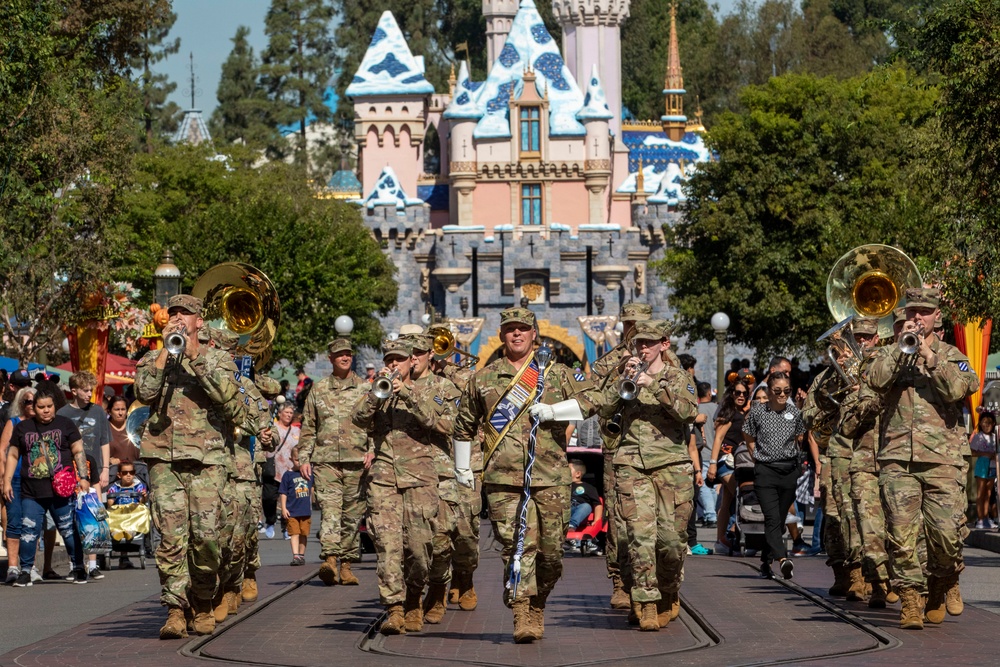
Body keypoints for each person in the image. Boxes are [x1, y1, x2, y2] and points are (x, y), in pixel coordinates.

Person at [453, 307, 599, 643]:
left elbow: (595, 399)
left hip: (551, 478)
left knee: (550, 554)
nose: (516, 334)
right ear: (502, 335)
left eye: (523, 329)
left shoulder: (557, 374)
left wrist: (554, 410)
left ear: (534, 334)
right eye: (510, 329)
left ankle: (538, 602)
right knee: (517, 547)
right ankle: (521, 610)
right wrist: (463, 467)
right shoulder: (484, 378)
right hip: (503, 480)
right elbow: (463, 425)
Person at [134, 294, 248, 639]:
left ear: (200, 322)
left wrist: (194, 356)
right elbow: (144, 391)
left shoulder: (217, 359)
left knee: (206, 539)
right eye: (174, 314)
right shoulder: (154, 358)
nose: (180, 319)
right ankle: (174, 609)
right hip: (163, 459)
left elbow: (230, 401)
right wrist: (166, 352)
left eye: (187, 314)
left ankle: (202, 600)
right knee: (169, 539)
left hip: (207, 460)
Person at [866, 288, 979, 630]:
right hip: (897, 459)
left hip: (943, 461)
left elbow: (959, 389)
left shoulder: (952, 354)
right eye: (912, 310)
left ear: (935, 317)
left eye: (924, 312)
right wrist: (902, 350)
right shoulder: (889, 352)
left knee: (947, 537)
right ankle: (911, 602)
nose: (918, 317)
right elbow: (874, 380)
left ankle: (943, 581)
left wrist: (929, 355)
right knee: (902, 538)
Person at [593, 319, 699, 630]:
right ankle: (646, 601)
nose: (643, 347)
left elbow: (688, 411)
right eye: (639, 341)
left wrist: (652, 385)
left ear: (664, 344)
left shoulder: (678, 377)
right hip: (631, 464)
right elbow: (602, 410)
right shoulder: (625, 373)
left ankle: (668, 591)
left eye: (650, 342)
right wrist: (622, 382)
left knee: (670, 542)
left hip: (672, 466)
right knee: (638, 537)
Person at [352, 337, 452, 635]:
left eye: (399, 359)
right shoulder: (377, 389)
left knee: (420, 549)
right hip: (383, 479)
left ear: (413, 361)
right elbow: (357, 418)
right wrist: (375, 395)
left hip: (421, 478)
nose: (393, 364)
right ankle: (394, 609)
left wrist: (407, 394)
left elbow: (444, 424)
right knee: (387, 546)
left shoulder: (433, 390)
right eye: (389, 359)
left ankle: (413, 598)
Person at [589, 301, 653, 611]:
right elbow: (596, 398)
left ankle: (656, 583)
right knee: (619, 518)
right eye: (630, 324)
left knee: (659, 522)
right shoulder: (608, 362)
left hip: (656, 451)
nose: (636, 330)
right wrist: (621, 370)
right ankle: (620, 581)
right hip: (618, 447)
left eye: (640, 324)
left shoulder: (664, 359)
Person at [399, 330, 465, 624]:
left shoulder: (445, 388)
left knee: (440, 542)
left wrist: (410, 397)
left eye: (418, 353)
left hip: (440, 475)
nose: (412, 359)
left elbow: (451, 426)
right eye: (408, 353)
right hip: (404, 476)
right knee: (409, 544)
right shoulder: (389, 386)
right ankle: (411, 597)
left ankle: (438, 591)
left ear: (430, 356)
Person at [297, 336, 370, 587]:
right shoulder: (318, 389)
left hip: (356, 460)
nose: (345, 357)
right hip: (326, 460)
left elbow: (374, 424)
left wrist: (372, 451)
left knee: (352, 515)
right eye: (340, 354)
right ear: (331, 358)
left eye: (348, 353)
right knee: (330, 510)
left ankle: (347, 565)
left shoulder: (365, 388)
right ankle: (330, 559)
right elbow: (309, 426)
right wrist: (303, 458)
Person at [2, 385, 90, 586]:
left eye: (49, 406)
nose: (46, 410)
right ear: (34, 407)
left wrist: (83, 477)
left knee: (68, 529)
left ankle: (78, 567)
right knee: (28, 531)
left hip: (61, 490)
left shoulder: (65, 424)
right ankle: (25, 571)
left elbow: (78, 450)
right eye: (41, 407)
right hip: (31, 491)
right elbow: (13, 455)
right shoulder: (23, 428)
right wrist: (6, 481)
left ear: (54, 406)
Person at [838, 317, 896, 607]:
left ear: (878, 338)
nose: (862, 342)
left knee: (897, 528)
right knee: (868, 530)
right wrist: (862, 403)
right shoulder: (849, 377)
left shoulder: (893, 365)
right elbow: (844, 427)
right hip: (863, 462)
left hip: (895, 460)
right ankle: (878, 583)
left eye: (867, 337)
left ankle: (899, 581)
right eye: (857, 337)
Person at [742, 371, 806, 580]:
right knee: (771, 518)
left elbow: (800, 437)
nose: (782, 395)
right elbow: (748, 435)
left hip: (788, 471)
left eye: (786, 391)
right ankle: (782, 559)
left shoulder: (794, 413)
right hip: (766, 471)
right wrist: (756, 456)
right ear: (768, 391)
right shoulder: (758, 412)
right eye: (777, 391)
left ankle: (765, 561)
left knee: (778, 519)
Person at [57, 371, 111, 581]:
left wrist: (105, 469)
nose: (89, 394)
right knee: (71, 519)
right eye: (85, 390)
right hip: (70, 471)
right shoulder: (62, 413)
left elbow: (104, 441)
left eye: (91, 390)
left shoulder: (98, 412)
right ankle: (75, 564)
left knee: (93, 517)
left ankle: (93, 564)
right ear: (74, 391)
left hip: (94, 470)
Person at [706, 374, 753, 553]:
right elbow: (718, 438)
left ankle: (720, 541)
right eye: (737, 392)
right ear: (731, 393)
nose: (741, 396)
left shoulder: (743, 413)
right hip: (726, 461)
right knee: (742, 498)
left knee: (726, 502)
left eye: (744, 393)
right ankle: (730, 535)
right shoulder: (729, 413)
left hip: (739, 462)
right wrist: (712, 464)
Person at [0, 386, 35, 583]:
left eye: (34, 401)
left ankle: (30, 567)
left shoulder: (42, 424)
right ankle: (12, 567)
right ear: (21, 404)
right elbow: (2, 451)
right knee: (14, 521)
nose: (32, 405)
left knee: (33, 523)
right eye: (28, 401)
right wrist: (3, 479)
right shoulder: (13, 423)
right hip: (15, 478)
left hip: (36, 479)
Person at [265, 402, 299, 540]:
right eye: (286, 412)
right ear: (279, 413)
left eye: (291, 413)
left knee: (289, 501)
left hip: (289, 470)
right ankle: (270, 522)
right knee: (269, 498)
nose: (289, 415)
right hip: (273, 469)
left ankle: (286, 527)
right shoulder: (273, 428)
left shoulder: (296, 431)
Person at [107, 460, 149, 568]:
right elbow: (110, 504)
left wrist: (144, 497)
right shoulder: (115, 487)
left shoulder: (138, 486)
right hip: (119, 512)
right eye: (125, 473)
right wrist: (111, 498)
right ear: (119, 474)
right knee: (110, 513)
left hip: (133, 511)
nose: (129, 475)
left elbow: (142, 502)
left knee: (142, 511)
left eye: (131, 472)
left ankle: (131, 530)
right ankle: (116, 531)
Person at [279, 449, 312, 566]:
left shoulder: (309, 473)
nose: (299, 462)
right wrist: (283, 508)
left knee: (304, 533)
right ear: (291, 459)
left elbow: (312, 489)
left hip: (305, 510)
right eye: (297, 460)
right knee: (294, 533)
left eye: (302, 460)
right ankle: (296, 555)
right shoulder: (288, 475)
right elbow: (283, 492)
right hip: (292, 511)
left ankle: (301, 555)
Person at [692, 382, 717, 529]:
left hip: (702, 451)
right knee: (711, 486)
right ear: (708, 394)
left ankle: (710, 514)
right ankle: (709, 514)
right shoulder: (716, 408)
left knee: (703, 486)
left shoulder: (697, 410)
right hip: (713, 452)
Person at [565, 459, 602, 553]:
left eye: (568, 470)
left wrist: (596, 520)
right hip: (566, 511)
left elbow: (597, 504)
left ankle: (571, 526)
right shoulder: (563, 486)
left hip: (581, 514)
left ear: (578, 474)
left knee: (586, 506)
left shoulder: (588, 488)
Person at [970, 412, 997, 529]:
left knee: (988, 493)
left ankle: (986, 517)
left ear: (993, 424)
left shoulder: (995, 437)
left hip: (992, 466)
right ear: (980, 423)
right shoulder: (978, 436)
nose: (987, 425)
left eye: (989, 423)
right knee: (981, 492)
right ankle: (980, 518)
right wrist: (985, 453)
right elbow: (972, 452)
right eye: (984, 422)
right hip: (982, 464)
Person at [107, 395, 134, 465]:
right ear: (109, 411)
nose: (120, 413)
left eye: (123, 409)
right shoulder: (104, 428)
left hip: (136, 471)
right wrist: (108, 460)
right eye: (117, 409)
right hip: (113, 472)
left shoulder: (134, 426)